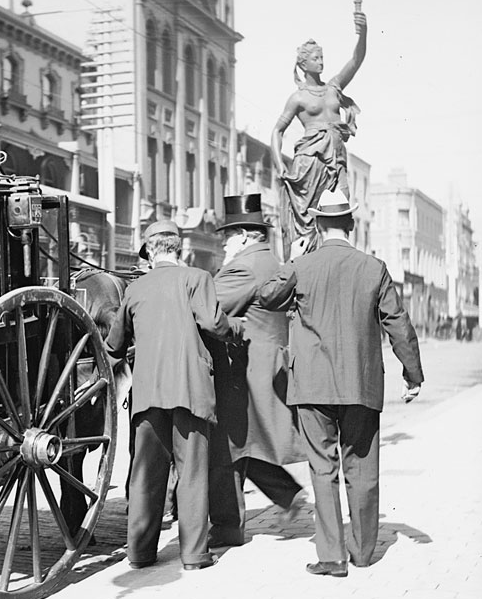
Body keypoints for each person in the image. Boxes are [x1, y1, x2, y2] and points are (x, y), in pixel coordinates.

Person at [258, 189, 424, 577]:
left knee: (323, 467)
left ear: (317, 224)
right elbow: (398, 324)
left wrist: (293, 258)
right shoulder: (374, 267)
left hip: (312, 385)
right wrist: (412, 374)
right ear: (350, 224)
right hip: (361, 383)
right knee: (362, 468)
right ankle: (364, 552)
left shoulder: (303, 264)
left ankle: (332, 557)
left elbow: (268, 297)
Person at [105, 220, 243, 571]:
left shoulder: (135, 289)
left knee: (147, 473)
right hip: (190, 389)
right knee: (193, 470)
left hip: (149, 393)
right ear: (178, 249)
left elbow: (115, 344)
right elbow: (214, 324)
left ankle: (140, 552)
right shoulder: (196, 279)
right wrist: (238, 329)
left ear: (150, 252)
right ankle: (195, 556)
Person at [206, 194, 307, 549]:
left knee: (227, 446)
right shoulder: (267, 259)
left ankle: (227, 528)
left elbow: (206, 306)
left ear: (247, 236)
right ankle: (288, 496)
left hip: (244, 369)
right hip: (262, 365)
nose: (224, 242)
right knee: (246, 444)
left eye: (229, 235)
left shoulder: (243, 267)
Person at [272, 12, 367, 259]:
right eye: (316, 58)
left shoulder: (333, 87)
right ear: (304, 64)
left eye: (322, 57)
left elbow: (356, 60)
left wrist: (363, 33)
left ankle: (340, 256)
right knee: (309, 216)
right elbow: (277, 131)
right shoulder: (298, 97)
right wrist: (279, 163)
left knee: (341, 207)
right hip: (310, 161)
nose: (321, 62)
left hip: (337, 158)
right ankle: (310, 261)